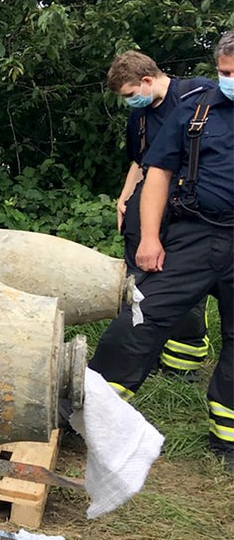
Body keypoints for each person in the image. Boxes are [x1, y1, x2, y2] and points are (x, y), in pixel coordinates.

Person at [90, 30, 234, 473]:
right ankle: (90, 415)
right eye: (224, 72)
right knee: (141, 312)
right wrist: (149, 237)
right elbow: (156, 171)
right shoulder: (199, 107)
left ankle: (226, 439)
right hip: (197, 234)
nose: (227, 80)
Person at [107, 51, 216, 378]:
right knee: (139, 278)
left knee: (182, 277)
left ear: (147, 80)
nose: (128, 102)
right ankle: (144, 353)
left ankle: (183, 362)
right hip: (151, 201)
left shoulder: (201, 96)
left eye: (129, 95)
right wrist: (125, 198)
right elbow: (140, 163)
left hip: (193, 204)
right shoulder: (138, 118)